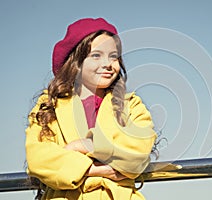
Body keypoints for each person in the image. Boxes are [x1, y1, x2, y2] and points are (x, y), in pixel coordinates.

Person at [25, 18, 157, 200]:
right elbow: (39, 159)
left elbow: (138, 154)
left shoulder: (131, 105)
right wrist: (97, 170)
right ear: (76, 62)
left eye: (114, 56)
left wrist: (84, 146)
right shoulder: (49, 106)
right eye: (96, 55)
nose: (108, 64)